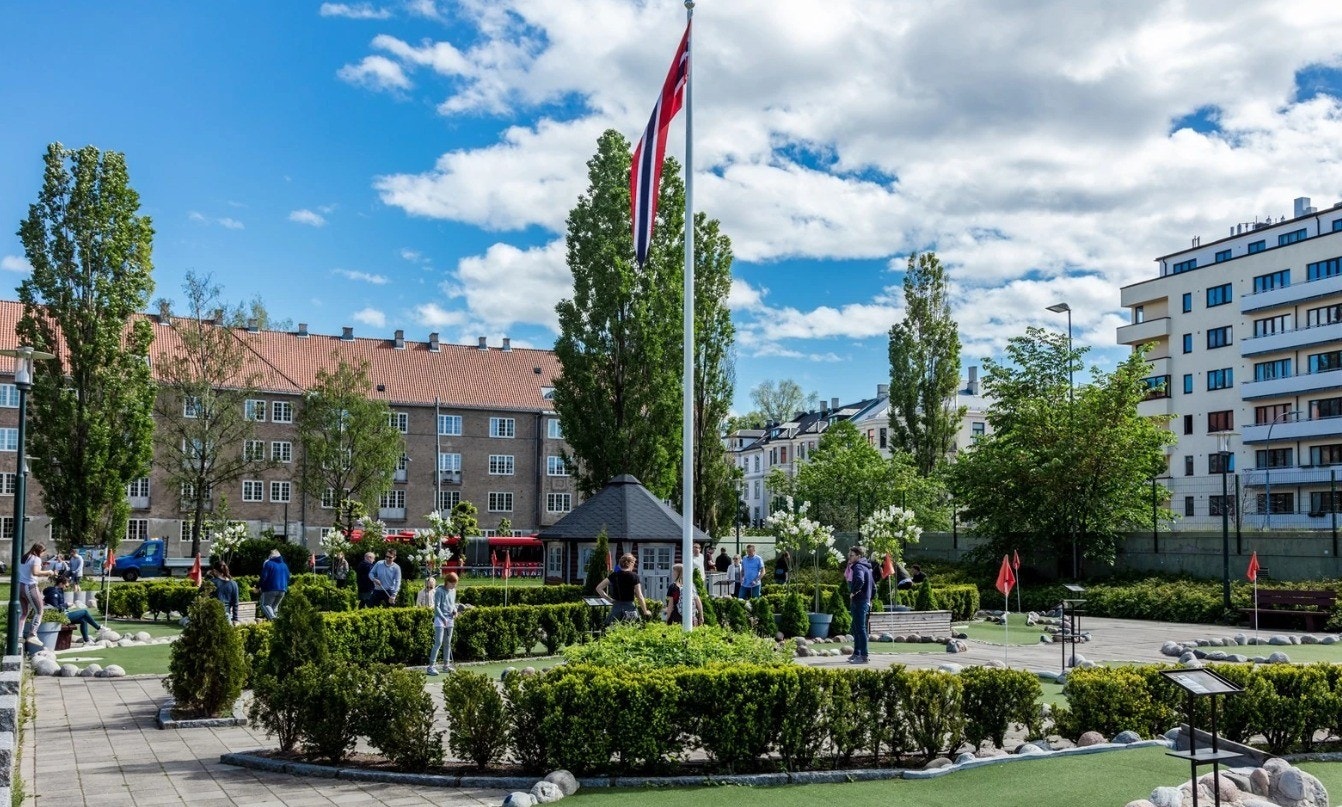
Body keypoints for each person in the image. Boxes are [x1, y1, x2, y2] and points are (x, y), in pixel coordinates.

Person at [42, 574, 104, 643]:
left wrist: (66, 606)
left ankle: (87, 641)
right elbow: (55, 608)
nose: (67, 587)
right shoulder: (54, 593)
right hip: (60, 616)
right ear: (61, 584)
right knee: (84, 612)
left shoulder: (59, 591)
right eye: (66, 586)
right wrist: (66, 605)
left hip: (63, 614)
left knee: (83, 620)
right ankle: (98, 628)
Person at [427, 572, 465, 675]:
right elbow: (436, 607)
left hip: (450, 618)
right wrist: (443, 618)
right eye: (452, 583)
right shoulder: (439, 591)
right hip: (440, 619)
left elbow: (452, 604)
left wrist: (455, 611)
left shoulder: (453, 591)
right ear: (447, 582)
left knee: (447, 643)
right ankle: (431, 667)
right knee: (438, 642)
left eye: (455, 584)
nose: (454, 586)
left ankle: (446, 666)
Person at [594, 553, 650, 624]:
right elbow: (639, 596)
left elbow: (598, 588)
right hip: (630, 609)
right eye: (634, 563)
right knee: (630, 632)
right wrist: (645, 611)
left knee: (614, 632)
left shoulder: (614, 575)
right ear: (631, 563)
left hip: (616, 608)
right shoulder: (634, 576)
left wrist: (609, 599)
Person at [19, 542, 52, 648]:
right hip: (30, 586)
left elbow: (27, 570)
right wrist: (49, 572)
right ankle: (32, 634)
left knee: (24, 613)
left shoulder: (25, 557)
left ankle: (18, 635)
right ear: (40, 551)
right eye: (43, 552)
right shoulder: (36, 558)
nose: (42, 555)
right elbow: (35, 572)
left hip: (20, 587)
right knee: (39, 610)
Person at [846, 545, 875, 664]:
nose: (849, 557)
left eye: (852, 555)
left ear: (858, 556)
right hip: (864, 601)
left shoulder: (858, 567)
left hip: (859, 601)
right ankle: (857, 653)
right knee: (857, 627)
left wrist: (853, 592)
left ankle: (863, 656)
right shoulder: (866, 567)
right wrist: (870, 598)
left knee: (860, 628)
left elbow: (860, 580)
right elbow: (873, 587)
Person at [258, 549, 290, 619]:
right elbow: (288, 577)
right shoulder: (284, 565)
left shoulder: (268, 563)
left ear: (271, 556)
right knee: (274, 607)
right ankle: (276, 625)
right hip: (282, 590)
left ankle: (273, 620)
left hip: (270, 589)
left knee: (265, 605)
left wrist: (258, 586)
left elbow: (263, 577)